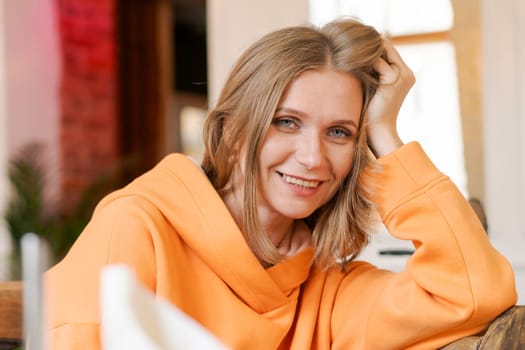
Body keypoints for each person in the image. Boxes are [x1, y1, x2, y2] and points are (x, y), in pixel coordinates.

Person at [45, 17, 517, 349]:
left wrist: (386, 134)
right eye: (286, 122)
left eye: (339, 132)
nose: (312, 157)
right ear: (231, 132)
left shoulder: (327, 291)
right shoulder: (137, 228)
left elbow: (474, 291)